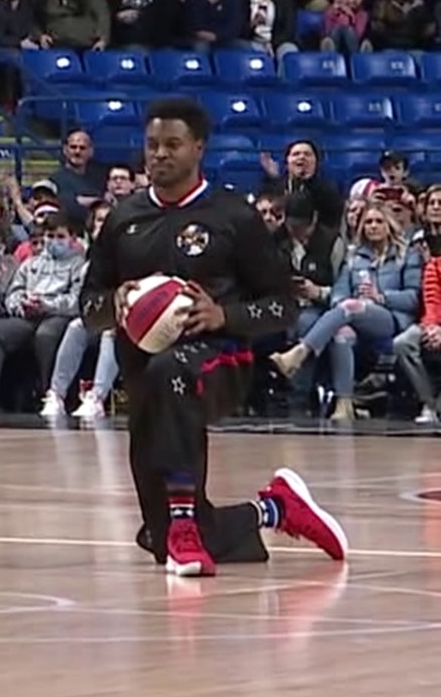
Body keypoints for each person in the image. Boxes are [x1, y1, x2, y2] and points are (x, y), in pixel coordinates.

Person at [80, 97, 348, 577]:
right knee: (158, 540)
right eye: (152, 145)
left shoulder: (232, 216)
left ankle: (185, 524)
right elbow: (88, 306)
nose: (159, 154)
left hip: (221, 359)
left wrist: (223, 314)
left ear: (198, 148)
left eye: (172, 145)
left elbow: (282, 304)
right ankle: (275, 511)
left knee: (171, 370)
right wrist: (115, 301)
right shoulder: (123, 219)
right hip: (144, 375)